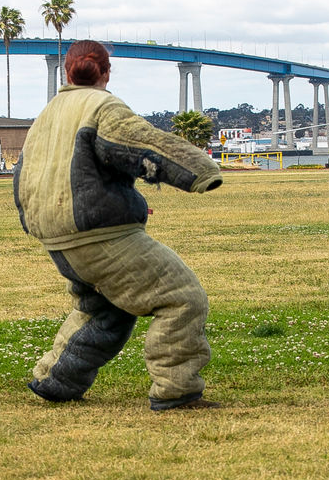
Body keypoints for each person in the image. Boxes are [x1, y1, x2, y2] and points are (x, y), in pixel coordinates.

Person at [13, 40, 224, 411]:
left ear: (66, 72)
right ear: (107, 73)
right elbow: (141, 145)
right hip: (99, 234)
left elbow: (26, 175)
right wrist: (200, 172)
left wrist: (120, 204)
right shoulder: (102, 106)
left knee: (107, 310)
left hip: (57, 236)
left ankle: (56, 379)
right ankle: (177, 391)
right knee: (182, 297)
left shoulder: (47, 114)